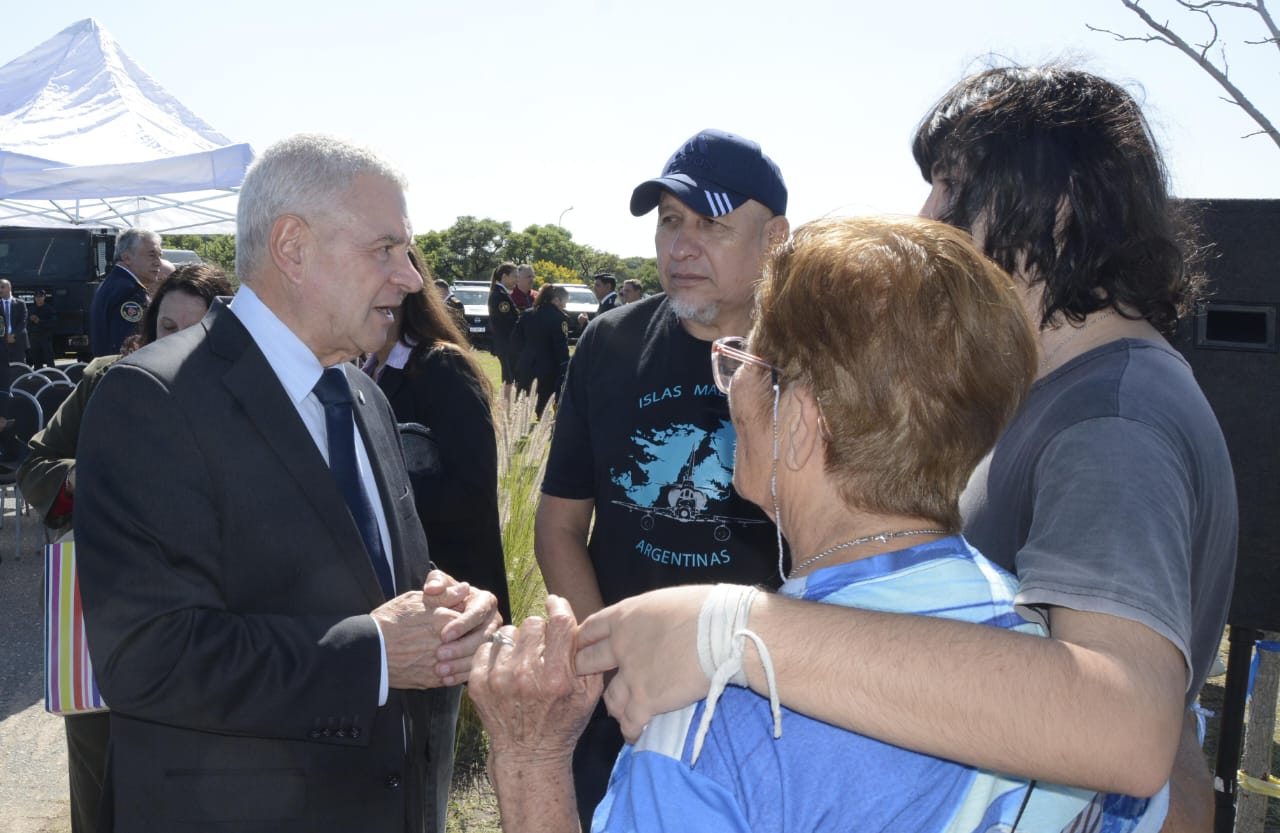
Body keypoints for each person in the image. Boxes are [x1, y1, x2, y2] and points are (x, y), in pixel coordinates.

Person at [573, 66, 1237, 832]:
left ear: (1055, 211)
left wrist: (731, 630)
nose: (926, 214)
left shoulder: (1110, 424)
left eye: (951, 188)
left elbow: (1126, 723)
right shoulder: (1072, 398)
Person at [473, 215, 1173, 833]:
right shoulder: (1046, 651)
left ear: (802, 423)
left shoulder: (707, 730)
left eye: (748, 359)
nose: (733, 383)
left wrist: (529, 755)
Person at [73, 134, 501, 833]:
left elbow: (386, 586)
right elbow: (144, 656)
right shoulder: (154, 399)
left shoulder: (365, 399)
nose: (411, 278)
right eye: (385, 249)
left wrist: (448, 608)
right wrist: (375, 653)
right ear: (293, 246)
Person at [533, 128, 790, 826]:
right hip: (621, 714)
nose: (680, 246)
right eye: (670, 222)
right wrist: (615, 669)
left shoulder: (814, 357)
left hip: (768, 711)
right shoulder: (609, 343)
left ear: (775, 239)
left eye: (710, 224)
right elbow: (559, 525)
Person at [16, 263, 232, 833]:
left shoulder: (245, 402)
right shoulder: (107, 379)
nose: (180, 341)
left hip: (209, 621)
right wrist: (87, 478)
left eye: (198, 328)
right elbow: (35, 466)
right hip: (102, 619)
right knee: (100, 774)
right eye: (168, 325)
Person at [364, 248, 511, 833]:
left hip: (440, 601)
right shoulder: (353, 370)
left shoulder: (440, 367)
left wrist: (386, 504)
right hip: (382, 608)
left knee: (423, 764)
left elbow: (474, 490)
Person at [89, 228, 161, 357]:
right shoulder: (130, 291)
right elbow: (127, 345)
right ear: (127, 258)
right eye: (152, 255)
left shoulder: (114, 284)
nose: (158, 262)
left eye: (159, 255)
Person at [515, 284, 570, 420]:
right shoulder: (559, 317)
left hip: (527, 364)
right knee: (545, 399)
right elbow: (561, 345)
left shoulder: (528, 314)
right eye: (565, 301)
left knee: (525, 397)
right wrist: (565, 364)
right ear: (556, 300)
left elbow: (515, 340)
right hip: (548, 366)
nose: (565, 305)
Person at [488, 261, 520, 403]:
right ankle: (506, 409)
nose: (516, 280)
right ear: (505, 276)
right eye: (514, 276)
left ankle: (506, 407)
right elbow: (508, 322)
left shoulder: (500, 293)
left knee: (510, 377)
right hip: (507, 343)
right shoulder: (500, 295)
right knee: (509, 378)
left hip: (506, 343)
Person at [26, 289, 58, 368]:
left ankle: (54, 376)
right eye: (36, 297)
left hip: (45, 336)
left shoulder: (49, 309)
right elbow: (26, 323)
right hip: (34, 337)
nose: (38, 298)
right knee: (36, 359)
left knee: (49, 358)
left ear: (44, 297)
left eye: (40, 297)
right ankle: (38, 377)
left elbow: (53, 322)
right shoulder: (31, 309)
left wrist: (39, 321)